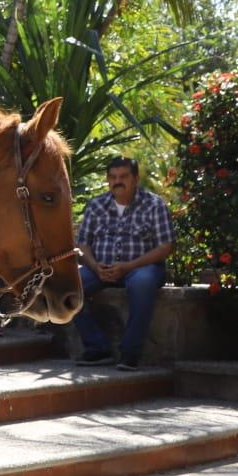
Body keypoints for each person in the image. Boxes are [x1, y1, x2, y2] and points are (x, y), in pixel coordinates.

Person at [71, 156, 175, 370]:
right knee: (70, 287)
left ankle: (130, 353)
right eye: (113, 177)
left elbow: (166, 246)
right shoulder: (97, 205)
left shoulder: (154, 205)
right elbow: (82, 244)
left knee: (143, 283)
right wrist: (94, 266)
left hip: (140, 268)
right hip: (100, 268)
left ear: (136, 178)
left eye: (123, 176)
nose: (117, 181)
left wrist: (129, 266)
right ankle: (97, 348)